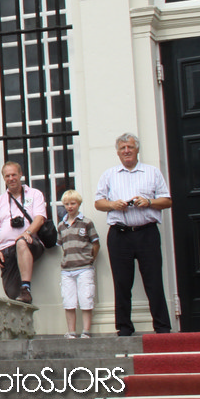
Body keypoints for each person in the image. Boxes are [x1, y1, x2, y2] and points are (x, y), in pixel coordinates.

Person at [94, 133, 174, 336]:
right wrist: (113, 204)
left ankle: (162, 327)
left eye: (130, 147)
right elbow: (98, 203)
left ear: (137, 149)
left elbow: (167, 201)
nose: (126, 151)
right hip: (119, 234)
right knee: (121, 282)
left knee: (154, 280)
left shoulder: (152, 172)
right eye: (122, 148)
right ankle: (124, 328)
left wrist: (149, 202)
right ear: (118, 152)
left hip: (147, 233)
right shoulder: (109, 175)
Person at [0, 161, 48, 304]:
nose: (11, 178)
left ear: (20, 174)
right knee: (12, 295)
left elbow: (40, 218)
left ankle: (26, 287)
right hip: (7, 249)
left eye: (14, 174)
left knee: (21, 242)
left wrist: (27, 232)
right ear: (4, 178)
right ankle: (22, 297)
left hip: (30, 242)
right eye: (7, 176)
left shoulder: (34, 194)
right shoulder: (0, 201)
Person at [57, 190, 99, 339]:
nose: (70, 207)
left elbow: (96, 243)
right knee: (68, 301)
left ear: (79, 204)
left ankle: (86, 330)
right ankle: (71, 331)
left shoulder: (86, 222)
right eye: (67, 204)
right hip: (67, 269)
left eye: (73, 203)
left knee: (86, 298)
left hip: (84, 268)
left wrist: (90, 259)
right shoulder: (61, 226)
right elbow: (62, 245)